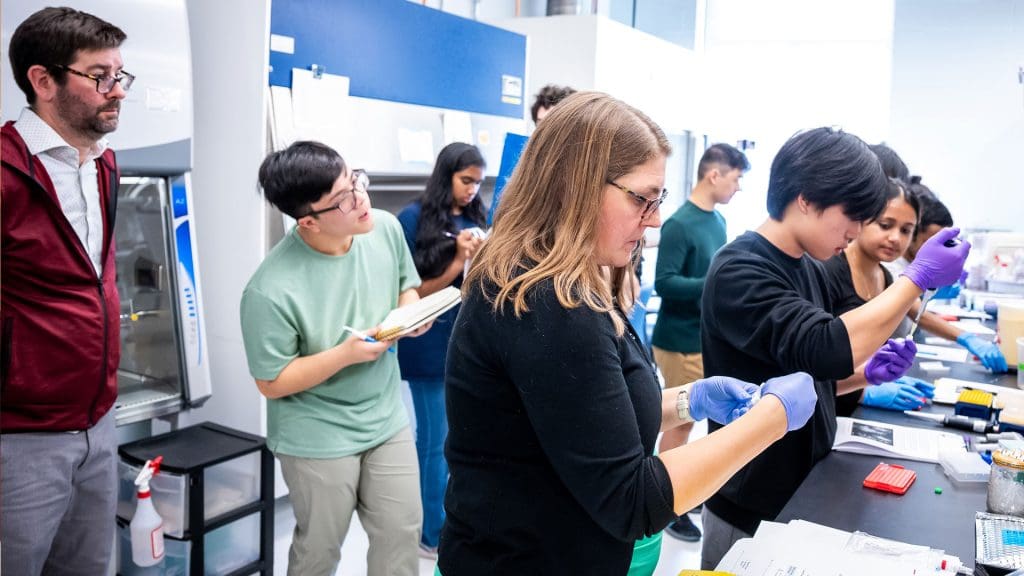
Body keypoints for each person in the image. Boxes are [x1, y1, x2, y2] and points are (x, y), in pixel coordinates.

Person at [439, 91, 819, 575]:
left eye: (658, 200)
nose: (655, 217)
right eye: (642, 198)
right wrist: (771, 420)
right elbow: (633, 499)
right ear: (574, 186)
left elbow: (587, 417)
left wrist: (689, 402)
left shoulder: (565, 280)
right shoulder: (547, 304)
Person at [699, 127, 971, 569]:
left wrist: (865, 376)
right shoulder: (740, 268)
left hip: (804, 487)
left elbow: (809, 372)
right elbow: (825, 346)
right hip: (748, 499)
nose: (858, 231)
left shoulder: (810, 266)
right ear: (806, 198)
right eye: (854, 215)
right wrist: (917, 277)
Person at [240, 141, 427, 576]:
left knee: (401, 536)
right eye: (343, 199)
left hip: (385, 417)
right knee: (319, 551)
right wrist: (344, 355)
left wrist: (409, 313)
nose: (360, 198)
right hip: (316, 433)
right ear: (308, 221)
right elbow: (271, 381)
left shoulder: (382, 228)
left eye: (355, 181)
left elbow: (407, 283)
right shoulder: (270, 289)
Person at [1, 8, 131, 574]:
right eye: (100, 77)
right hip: (21, 437)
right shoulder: (6, 169)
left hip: (97, 420)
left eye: (120, 76)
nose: (117, 92)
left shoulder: (103, 166)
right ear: (43, 80)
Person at [824, 180, 1007, 412]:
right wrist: (863, 389)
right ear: (861, 220)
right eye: (885, 225)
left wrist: (870, 377)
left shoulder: (885, 277)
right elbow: (814, 364)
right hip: (826, 408)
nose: (895, 238)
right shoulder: (828, 271)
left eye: (906, 230)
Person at [651, 142, 750, 542]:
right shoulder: (679, 224)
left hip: (704, 338)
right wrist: (713, 282)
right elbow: (665, 283)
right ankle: (665, 502)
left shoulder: (718, 222)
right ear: (714, 175)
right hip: (678, 340)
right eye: (736, 178)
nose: (738, 187)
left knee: (695, 418)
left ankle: (683, 491)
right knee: (681, 418)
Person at [396, 142, 486, 558]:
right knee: (434, 439)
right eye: (465, 180)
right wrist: (456, 260)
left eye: (478, 183)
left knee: (460, 439)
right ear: (445, 174)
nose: (471, 190)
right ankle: (431, 532)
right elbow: (411, 292)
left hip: (467, 338)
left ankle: (451, 522)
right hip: (427, 340)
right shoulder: (412, 220)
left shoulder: (474, 216)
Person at [488, 83, 577, 225]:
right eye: (540, 123)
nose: (543, 131)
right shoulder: (523, 163)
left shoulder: (581, 173)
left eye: (552, 123)